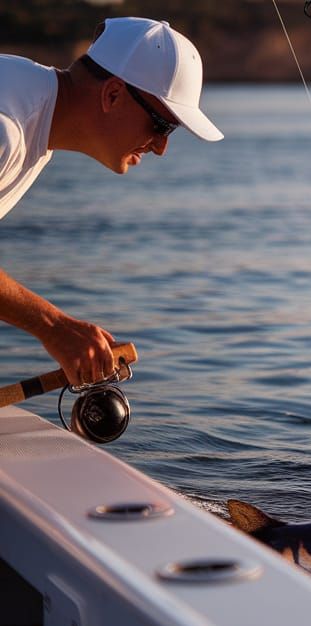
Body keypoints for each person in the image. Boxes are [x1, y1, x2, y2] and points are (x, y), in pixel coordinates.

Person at [0, 17, 222, 387]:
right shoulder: (8, 129)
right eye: (161, 126)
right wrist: (54, 328)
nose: (162, 147)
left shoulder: (29, 107)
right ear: (113, 94)